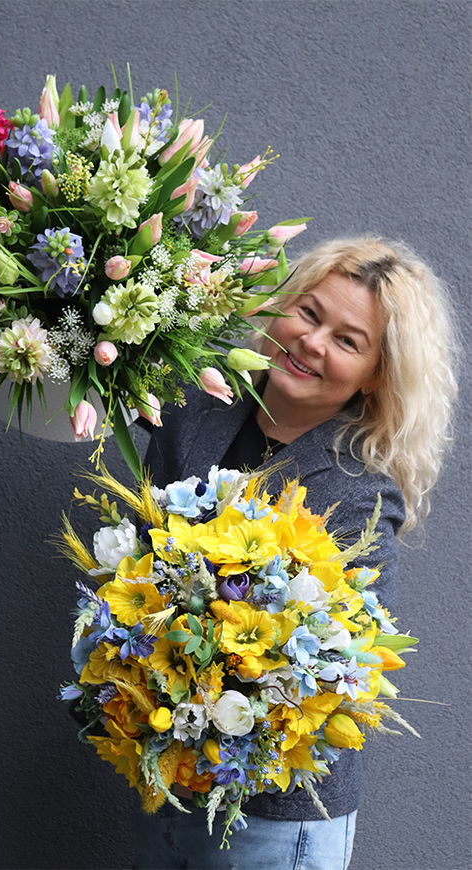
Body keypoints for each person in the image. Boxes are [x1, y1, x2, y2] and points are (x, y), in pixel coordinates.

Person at [135, 236, 458, 870]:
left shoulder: (359, 494)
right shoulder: (197, 410)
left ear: (375, 378)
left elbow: (344, 670)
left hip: (273, 813)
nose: (311, 342)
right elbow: (135, 562)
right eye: (309, 313)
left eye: (348, 341)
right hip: (164, 775)